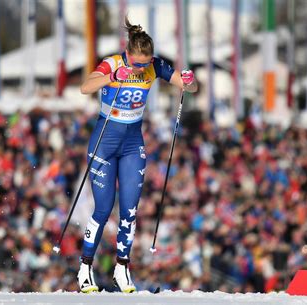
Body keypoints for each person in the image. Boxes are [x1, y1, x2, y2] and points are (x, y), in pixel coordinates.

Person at [77, 16, 198, 293]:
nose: (141, 69)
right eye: (137, 63)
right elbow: (85, 87)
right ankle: (85, 267)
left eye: (146, 64)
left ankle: (122, 267)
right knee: (104, 208)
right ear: (128, 53)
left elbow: (188, 86)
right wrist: (112, 77)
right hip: (104, 144)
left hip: (132, 144)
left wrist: (190, 82)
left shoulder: (153, 66)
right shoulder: (114, 63)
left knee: (130, 211)